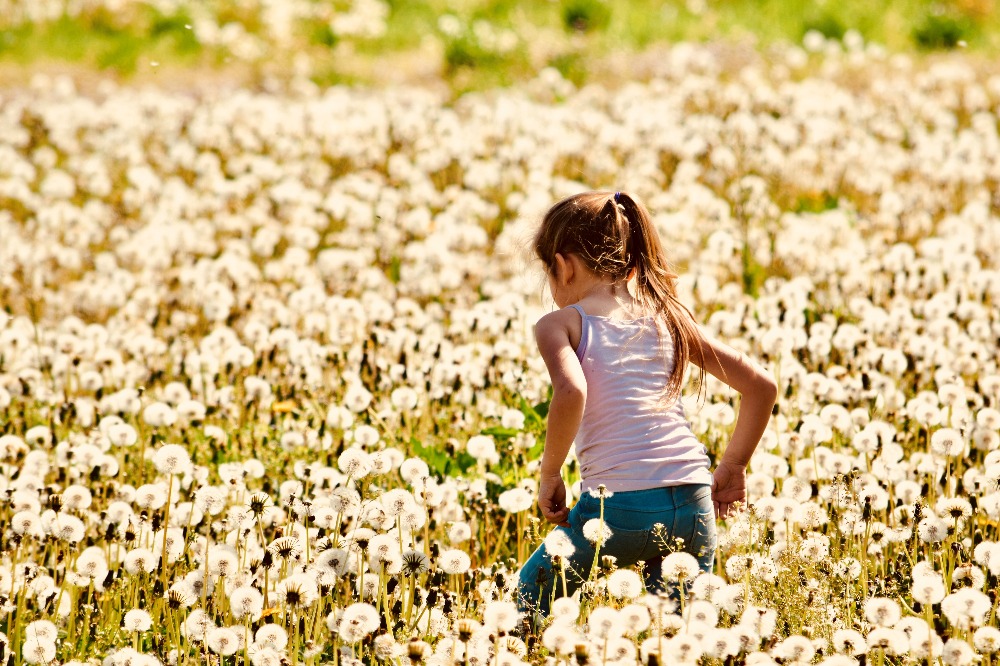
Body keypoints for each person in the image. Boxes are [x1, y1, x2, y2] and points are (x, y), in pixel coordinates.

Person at [517, 190, 778, 616]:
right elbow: (761, 386)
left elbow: (572, 392)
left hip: (616, 508)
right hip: (693, 502)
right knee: (679, 635)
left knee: (526, 604)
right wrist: (733, 466)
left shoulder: (559, 325)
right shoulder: (669, 317)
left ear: (562, 266)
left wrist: (550, 475)